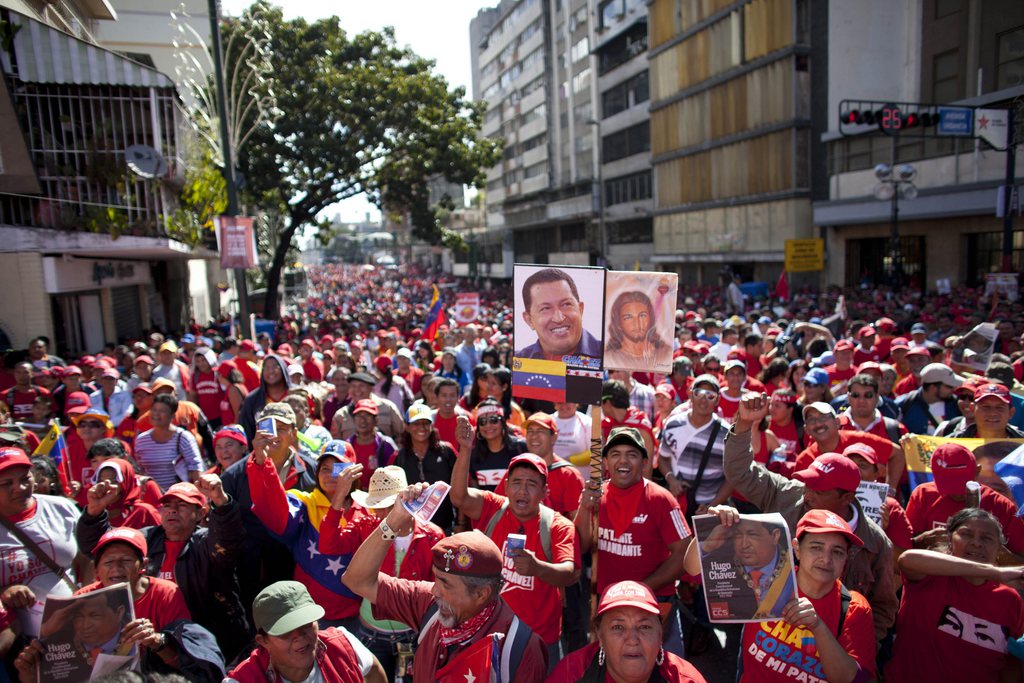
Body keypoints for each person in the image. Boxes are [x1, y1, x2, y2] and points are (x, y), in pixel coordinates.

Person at [723, 393, 897, 640]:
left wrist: (854, 650)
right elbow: (739, 472)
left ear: (846, 499)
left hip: (828, 654)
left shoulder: (875, 544)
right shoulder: (788, 495)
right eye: (807, 484)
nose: (807, 494)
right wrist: (743, 425)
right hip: (767, 635)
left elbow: (883, 609)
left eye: (818, 489)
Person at [342, 511, 549, 681]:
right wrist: (394, 520)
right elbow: (357, 580)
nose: (434, 590)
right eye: (436, 578)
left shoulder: (521, 649)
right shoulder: (428, 603)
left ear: (481, 594)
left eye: (445, 583)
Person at [689, 508, 876, 683]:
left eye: (837, 552)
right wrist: (711, 530)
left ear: (846, 557)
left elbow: (854, 679)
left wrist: (818, 627)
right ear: (796, 549)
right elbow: (691, 569)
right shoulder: (767, 576)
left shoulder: (854, 609)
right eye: (816, 547)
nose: (826, 559)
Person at [77, 475, 251, 662]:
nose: (172, 511)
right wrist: (94, 511)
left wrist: (220, 502)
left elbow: (228, 539)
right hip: (154, 646)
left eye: (182, 505)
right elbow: (103, 548)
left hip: (212, 643)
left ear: (201, 513)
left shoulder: (207, 543)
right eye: (167, 505)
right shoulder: (147, 539)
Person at [451, 434, 581, 663]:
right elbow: (459, 497)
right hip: (491, 634)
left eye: (532, 484)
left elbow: (569, 573)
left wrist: (538, 568)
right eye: (517, 483)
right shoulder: (493, 508)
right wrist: (464, 449)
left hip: (538, 639)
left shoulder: (558, 526)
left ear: (545, 492)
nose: (523, 491)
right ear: (506, 486)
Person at [317, 465, 444, 680]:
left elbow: (437, 593)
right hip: (370, 633)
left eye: (388, 506)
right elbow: (328, 545)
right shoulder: (367, 525)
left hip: (412, 633)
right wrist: (339, 497)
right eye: (377, 507)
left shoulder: (433, 535)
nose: (381, 514)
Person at [576, 427, 691, 657]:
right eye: (615, 453)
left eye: (632, 454)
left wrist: (641, 589)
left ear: (645, 462)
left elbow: (684, 555)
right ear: (605, 462)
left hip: (656, 603)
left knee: (664, 671)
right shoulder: (595, 496)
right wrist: (583, 508)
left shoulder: (661, 499)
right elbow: (580, 547)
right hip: (608, 605)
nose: (623, 460)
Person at [58, 526, 225, 679]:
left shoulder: (165, 593)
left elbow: (183, 663)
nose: (116, 568)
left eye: (125, 561)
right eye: (108, 562)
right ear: (96, 570)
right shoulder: (84, 598)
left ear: (143, 565)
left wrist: (156, 641)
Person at [248, 426, 366, 631]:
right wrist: (262, 463)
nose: (330, 475)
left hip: (360, 615)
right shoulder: (305, 502)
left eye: (338, 468)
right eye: (324, 468)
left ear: (353, 473)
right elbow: (275, 510)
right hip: (313, 614)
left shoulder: (369, 508)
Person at [885, 509, 1024, 682]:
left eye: (987, 538)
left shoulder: (1009, 600)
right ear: (950, 540)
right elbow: (907, 559)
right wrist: (994, 572)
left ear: (999, 550)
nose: (976, 543)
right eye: (966, 534)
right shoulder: (930, 575)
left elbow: (1010, 663)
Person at [545, 581, 707, 683]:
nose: (632, 639)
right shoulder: (571, 674)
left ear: (660, 634)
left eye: (644, 627)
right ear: (600, 636)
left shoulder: (684, 679)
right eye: (618, 627)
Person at [225, 580, 386, 682]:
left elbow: (374, 669)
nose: (299, 636)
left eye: (306, 624)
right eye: (285, 631)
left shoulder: (344, 645)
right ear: (263, 641)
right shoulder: (242, 680)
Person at [0, 446, 82, 644]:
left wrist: (86, 599)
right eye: (6, 483)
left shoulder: (62, 508)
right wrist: (3, 594)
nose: (18, 488)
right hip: (18, 641)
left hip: (75, 631)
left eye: (24, 479)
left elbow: (86, 559)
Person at [905, 441, 1024, 552]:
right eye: (947, 485)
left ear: (977, 471)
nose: (956, 493)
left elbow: (1020, 560)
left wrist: (992, 549)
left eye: (960, 484)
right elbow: (905, 547)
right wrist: (923, 540)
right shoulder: (923, 494)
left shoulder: (1001, 505)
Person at [691, 516, 795, 620]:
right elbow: (690, 568)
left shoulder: (794, 563)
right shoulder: (722, 555)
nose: (744, 545)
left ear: (775, 536)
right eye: (738, 535)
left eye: (752, 535)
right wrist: (708, 545)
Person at [658, 374, 730, 517]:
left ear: (717, 400)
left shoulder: (727, 434)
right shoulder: (673, 424)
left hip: (710, 511)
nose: (703, 399)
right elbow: (662, 457)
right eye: (699, 393)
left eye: (710, 395)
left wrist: (712, 506)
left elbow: (732, 478)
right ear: (691, 395)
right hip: (676, 505)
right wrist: (671, 479)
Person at [389, 403, 457, 531]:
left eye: (425, 423)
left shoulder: (447, 451)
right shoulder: (398, 457)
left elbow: (460, 487)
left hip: (446, 525)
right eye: (416, 423)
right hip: (410, 528)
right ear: (407, 427)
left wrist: (461, 523)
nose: (421, 427)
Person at [517, 267, 602, 362]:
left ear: (580, 309)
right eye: (545, 308)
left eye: (566, 304)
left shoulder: (612, 358)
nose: (558, 318)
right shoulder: (519, 361)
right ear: (529, 320)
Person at [133, 393, 203, 490]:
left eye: (162, 411)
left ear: (173, 415)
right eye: (154, 410)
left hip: (178, 496)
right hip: (150, 496)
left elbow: (196, 468)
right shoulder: (141, 440)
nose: (156, 414)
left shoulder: (183, 437)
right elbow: (139, 469)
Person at [605, 290, 670, 370]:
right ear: (618, 323)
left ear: (651, 319)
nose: (637, 324)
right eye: (628, 317)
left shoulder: (666, 354)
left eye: (642, 315)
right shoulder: (609, 359)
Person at [86, 458, 161, 529]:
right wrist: (95, 510)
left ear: (126, 483)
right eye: (101, 481)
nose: (106, 486)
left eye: (114, 481)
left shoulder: (143, 512)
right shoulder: (93, 513)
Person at [330, 372, 405, 441]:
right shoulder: (341, 415)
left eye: (361, 386)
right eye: (353, 386)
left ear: (371, 388)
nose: (357, 390)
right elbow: (336, 443)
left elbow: (401, 434)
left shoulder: (388, 408)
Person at [896, 362, 962, 435]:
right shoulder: (904, 404)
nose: (953, 389)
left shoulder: (957, 405)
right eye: (949, 386)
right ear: (933, 388)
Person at [237, 354, 292, 442]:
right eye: (266, 367)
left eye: (275, 366)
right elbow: (247, 430)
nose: (270, 371)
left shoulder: (296, 394)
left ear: (283, 369)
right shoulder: (251, 400)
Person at [950, 382, 1024, 438]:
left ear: (1011, 413)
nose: (992, 413)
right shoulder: (953, 443)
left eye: (999, 408)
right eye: (986, 407)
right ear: (972, 409)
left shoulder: (1021, 444)